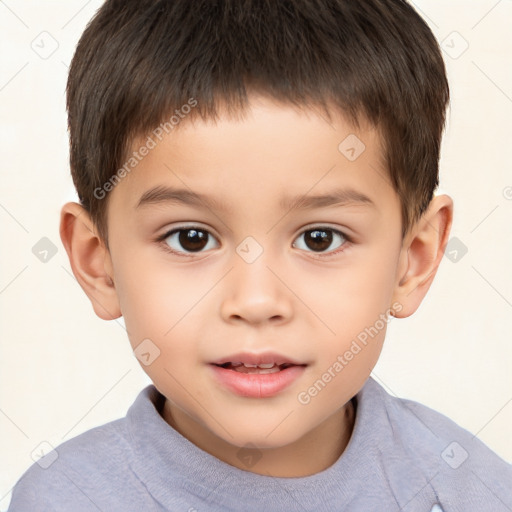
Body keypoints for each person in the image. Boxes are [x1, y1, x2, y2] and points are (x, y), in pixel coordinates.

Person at [8, 0, 512, 510]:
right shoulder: (65, 499)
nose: (255, 301)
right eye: (191, 238)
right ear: (99, 262)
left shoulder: (471, 490)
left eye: (320, 238)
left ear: (415, 260)